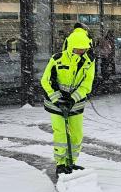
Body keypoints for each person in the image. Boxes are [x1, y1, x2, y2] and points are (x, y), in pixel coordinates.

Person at [40, 27, 95, 175]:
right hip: (55, 103)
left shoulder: (89, 62)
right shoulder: (57, 59)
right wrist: (58, 100)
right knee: (61, 134)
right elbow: (45, 81)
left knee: (76, 135)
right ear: (71, 46)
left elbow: (86, 85)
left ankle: (71, 162)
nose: (81, 52)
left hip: (76, 103)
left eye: (83, 49)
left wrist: (72, 99)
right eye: (78, 49)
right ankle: (60, 163)